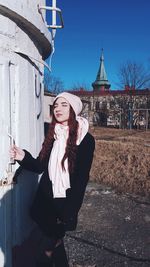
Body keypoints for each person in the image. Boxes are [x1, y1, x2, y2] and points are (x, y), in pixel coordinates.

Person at [10, 92, 95, 267]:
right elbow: (40, 166)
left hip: (63, 205)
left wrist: (70, 212)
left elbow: (81, 180)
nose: (58, 109)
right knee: (54, 246)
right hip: (45, 200)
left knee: (45, 251)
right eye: (55, 105)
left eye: (64, 105)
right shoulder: (53, 133)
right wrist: (23, 156)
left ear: (73, 109)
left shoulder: (85, 139)